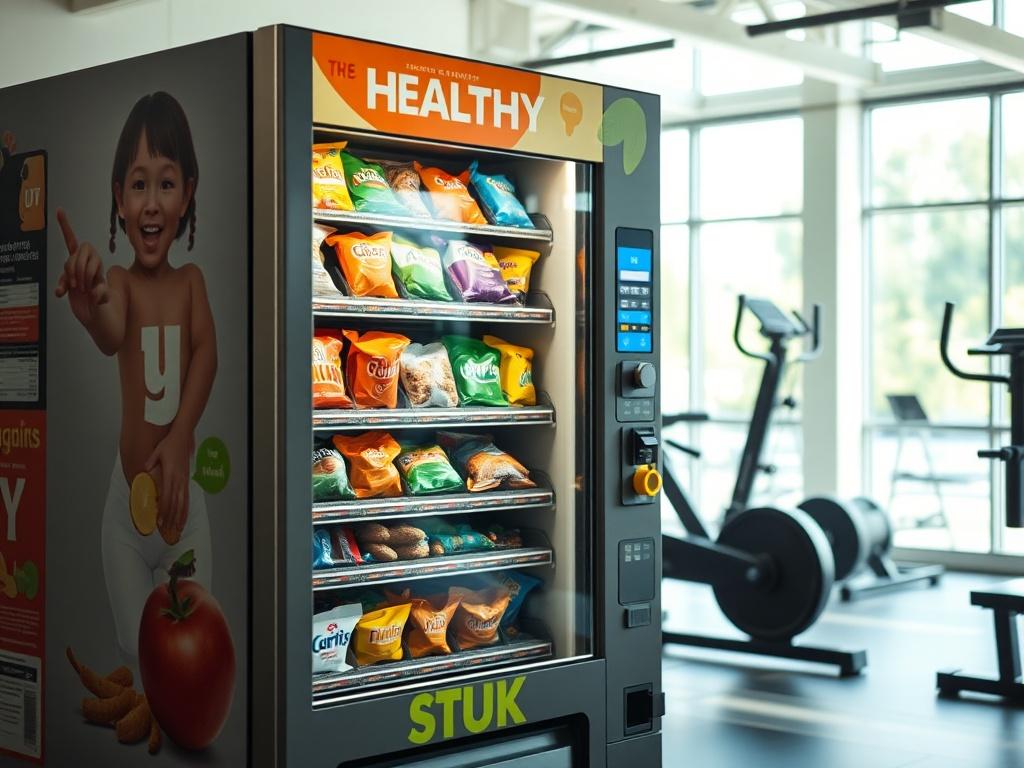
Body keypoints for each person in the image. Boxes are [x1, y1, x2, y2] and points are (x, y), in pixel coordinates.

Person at [54, 92, 217, 659]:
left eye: (166, 183)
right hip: (125, 514)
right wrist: (89, 302)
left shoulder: (191, 281)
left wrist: (179, 438)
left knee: (191, 649)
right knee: (135, 644)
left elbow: (207, 355)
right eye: (139, 184)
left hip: (183, 507)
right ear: (119, 199)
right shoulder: (119, 283)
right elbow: (109, 333)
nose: (151, 202)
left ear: (187, 194)